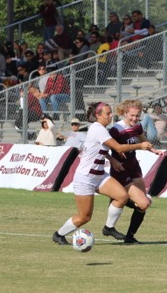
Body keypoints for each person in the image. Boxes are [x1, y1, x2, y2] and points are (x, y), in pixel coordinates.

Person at [51, 102, 154, 246]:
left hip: (99, 174)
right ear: (98, 116)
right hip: (85, 178)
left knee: (122, 196)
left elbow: (100, 149)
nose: (111, 115)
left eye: (111, 112)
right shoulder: (98, 129)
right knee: (84, 217)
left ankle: (109, 228)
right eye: (108, 113)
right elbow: (118, 147)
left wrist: (111, 159)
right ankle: (59, 234)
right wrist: (140, 145)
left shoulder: (101, 129)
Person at [108, 100, 163, 243]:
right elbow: (101, 148)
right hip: (120, 170)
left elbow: (144, 142)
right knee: (144, 203)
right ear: (124, 113)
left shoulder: (137, 127)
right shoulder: (116, 129)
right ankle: (117, 200)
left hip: (134, 168)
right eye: (132, 115)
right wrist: (112, 159)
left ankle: (130, 237)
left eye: (137, 115)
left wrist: (154, 150)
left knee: (142, 206)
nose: (134, 118)